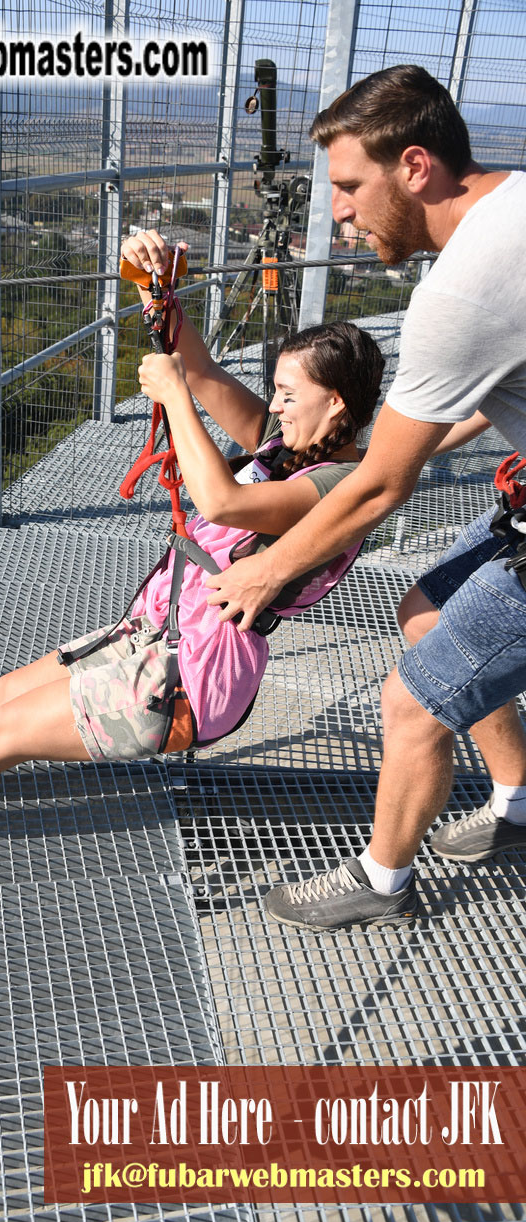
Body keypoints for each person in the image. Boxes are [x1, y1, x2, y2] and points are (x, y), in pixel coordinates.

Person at [0, 281, 385, 839]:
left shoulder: (336, 489)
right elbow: (203, 372)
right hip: (159, 633)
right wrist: (158, 295)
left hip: (188, 679)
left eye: (286, 394)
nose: (272, 406)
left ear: (334, 403)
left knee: (1, 737)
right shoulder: (289, 449)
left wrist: (175, 397)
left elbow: (219, 501)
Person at [202, 64, 526, 931]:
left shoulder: (461, 290)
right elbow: (448, 418)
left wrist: (266, 574)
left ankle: (382, 884)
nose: (338, 210)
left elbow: (381, 482)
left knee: (410, 702)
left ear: (415, 167)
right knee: (428, 611)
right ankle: (520, 803)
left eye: (349, 185)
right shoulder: (514, 211)